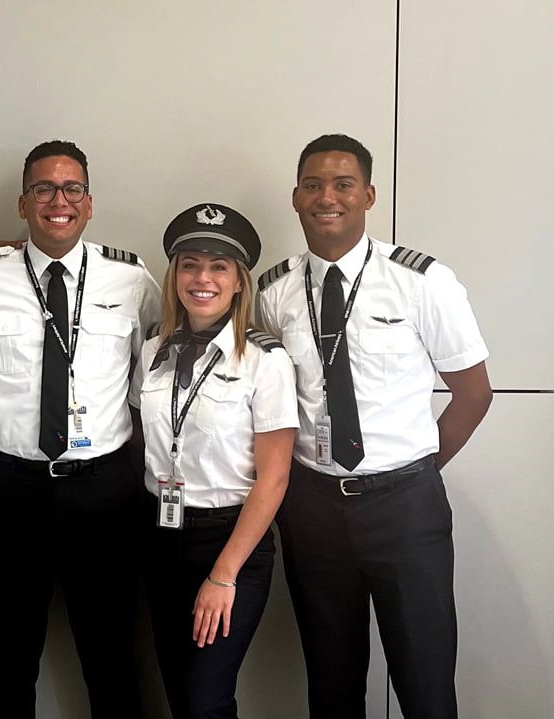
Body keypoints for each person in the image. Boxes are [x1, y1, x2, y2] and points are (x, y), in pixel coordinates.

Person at [257, 134, 493, 718]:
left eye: (343, 184)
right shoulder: (273, 292)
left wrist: (413, 472)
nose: (327, 197)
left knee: (426, 684)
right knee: (331, 686)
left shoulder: (421, 280)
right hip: (313, 507)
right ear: (295, 197)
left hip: (405, 507)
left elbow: (473, 393)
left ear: (368, 195)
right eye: (313, 185)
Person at [0, 140, 160, 718]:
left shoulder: (131, 279)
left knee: (112, 652)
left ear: (89, 204)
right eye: (43, 189)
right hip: (6, 488)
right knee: (8, 653)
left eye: (72, 189)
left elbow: (162, 361)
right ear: (23, 204)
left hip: (103, 488)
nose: (58, 201)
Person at [130, 203, 297, 719]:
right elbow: (142, 440)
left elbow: (274, 478)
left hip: (229, 542)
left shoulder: (265, 361)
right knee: (181, 695)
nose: (202, 279)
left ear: (240, 281)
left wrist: (223, 576)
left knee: (206, 700)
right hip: (162, 537)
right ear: (175, 275)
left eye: (219, 267)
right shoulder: (153, 350)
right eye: (190, 265)